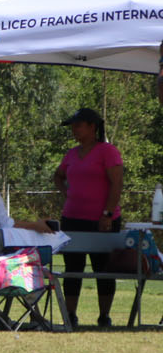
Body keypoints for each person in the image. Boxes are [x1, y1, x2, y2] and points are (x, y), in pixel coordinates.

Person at [52, 107, 124, 327]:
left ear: (93, 127)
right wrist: (68, 194)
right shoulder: (72, 153)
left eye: (78, 125)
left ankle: (104, 316)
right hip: (72, 219)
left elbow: (117, 183)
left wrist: (107, 214)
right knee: (73, 267)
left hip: (102, 220)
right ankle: (70, 315)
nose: (74, 130)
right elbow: (58, 175)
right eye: (72, 126)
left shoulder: (107, 151)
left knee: (103, 268)